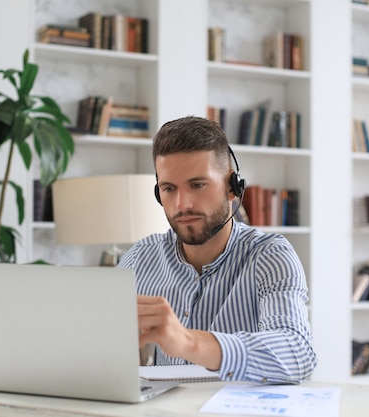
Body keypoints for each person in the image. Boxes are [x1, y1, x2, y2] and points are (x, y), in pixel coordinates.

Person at [118, 116, 317, 384]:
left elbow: (297, 353)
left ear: (232, 187)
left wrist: (188, 342)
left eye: (197, 185)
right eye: (169, 188)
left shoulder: (270, 255)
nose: (182, 204)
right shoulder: (141, 258)